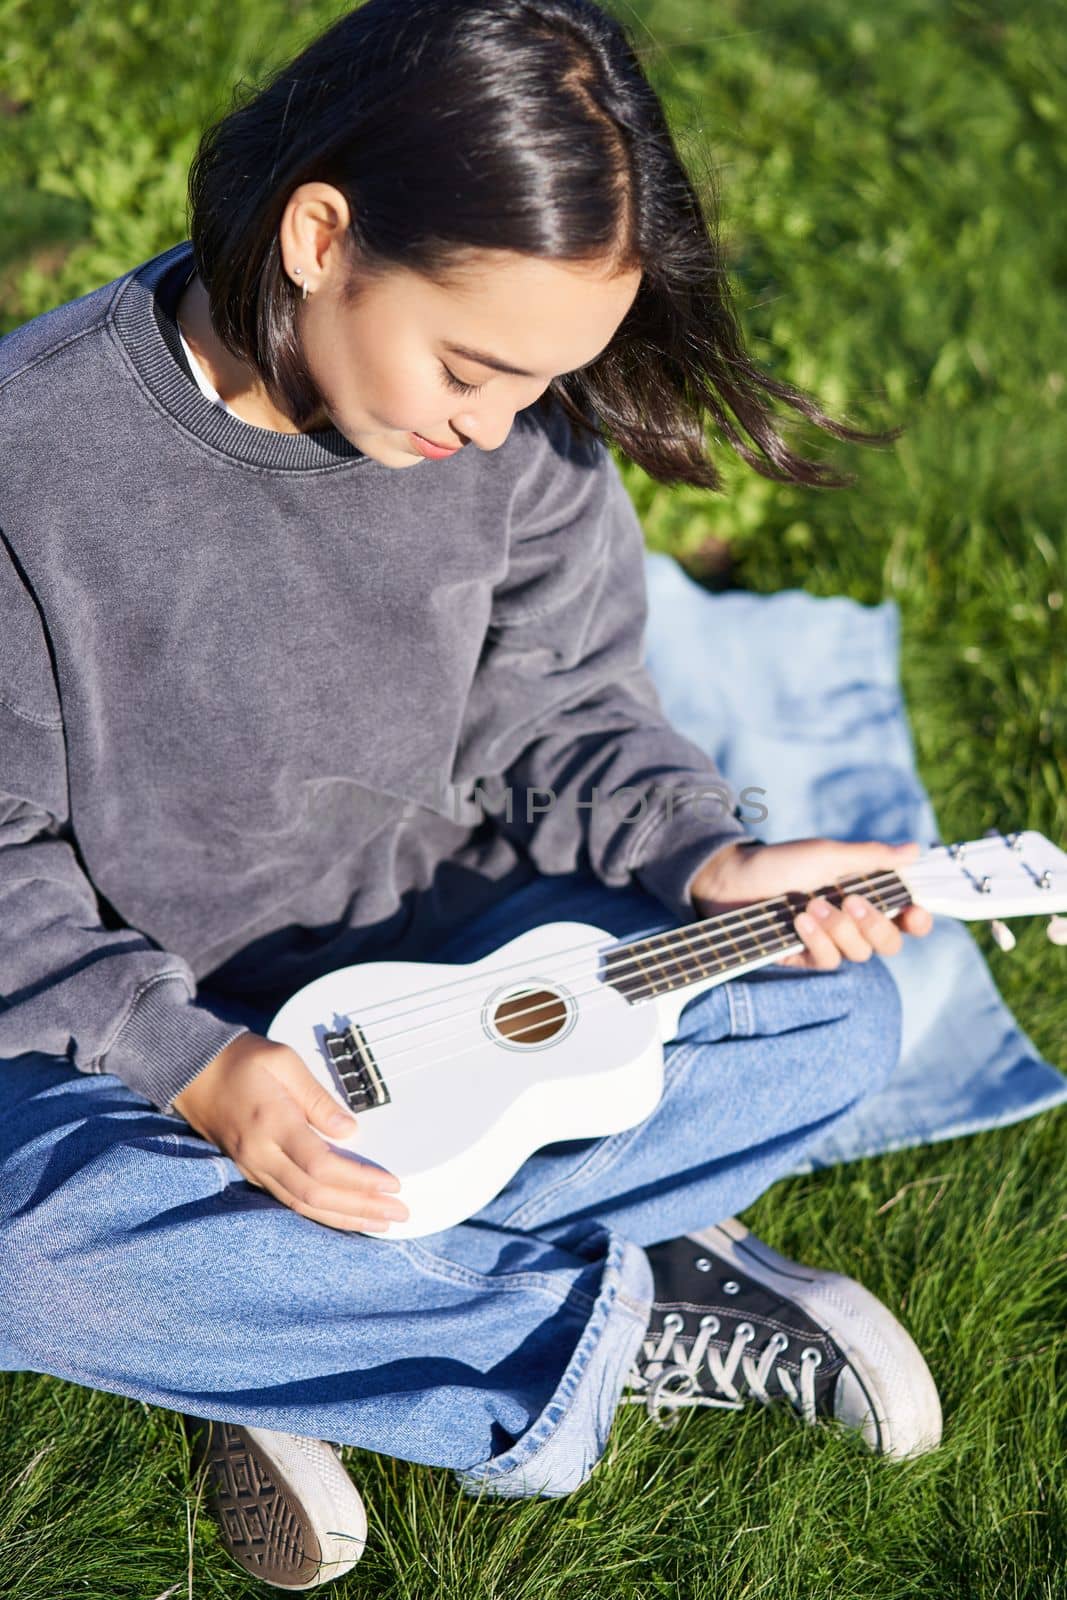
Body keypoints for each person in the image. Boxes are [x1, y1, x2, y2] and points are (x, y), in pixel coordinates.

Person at [0, 0, 941, 1589]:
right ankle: (593, 1321)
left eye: (542, 385)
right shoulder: (33, 457)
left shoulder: (513, 432)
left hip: (464, 964)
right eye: (473, 367)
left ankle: (278, 1324)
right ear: (319, 236)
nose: (498, 428)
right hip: (140, 1043)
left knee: (832, 1019)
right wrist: (194, 1067)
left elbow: (562, 712)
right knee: (24, 1249)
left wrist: (711, 862)